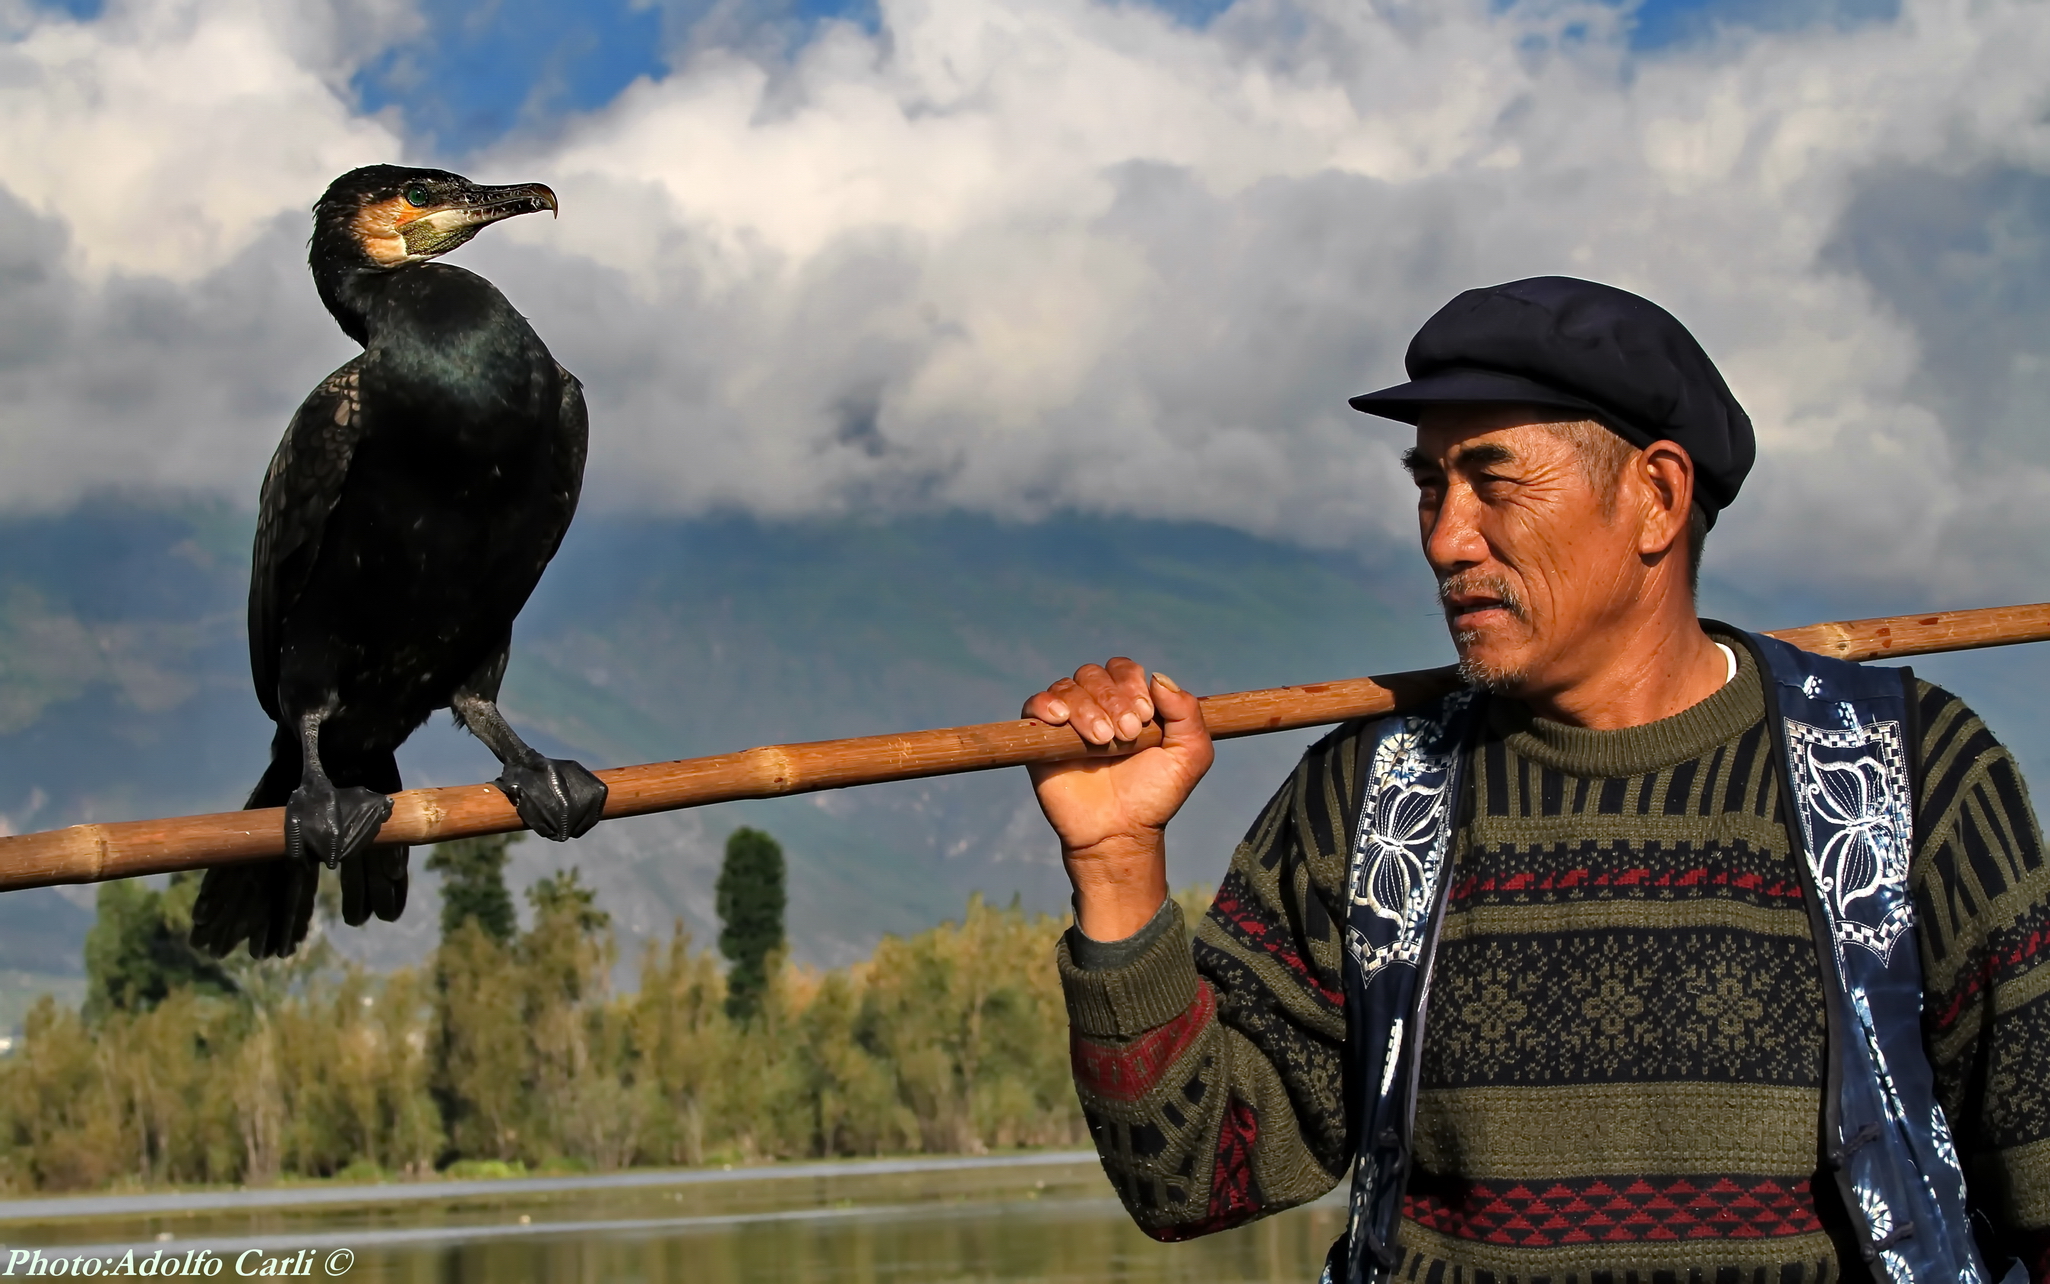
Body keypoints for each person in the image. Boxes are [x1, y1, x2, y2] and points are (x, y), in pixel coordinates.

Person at [1026, 277, 2050, 1284]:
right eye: (1429, 484)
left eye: (1491, 480)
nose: (1442, 537)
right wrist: (1116, 866)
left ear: (1654, 496)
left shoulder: (1902, 774)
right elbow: (1194, 1185)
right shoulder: (1371, 796)